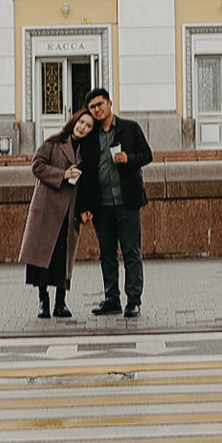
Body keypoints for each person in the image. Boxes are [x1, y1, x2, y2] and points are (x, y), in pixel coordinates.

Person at [76, 87, 153, 318]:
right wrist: (84, 206)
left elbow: (147, 155)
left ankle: (133, 300)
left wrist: (129, 158)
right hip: (101, 206)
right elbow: (85, 173)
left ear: (110, 103)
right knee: (107, 254)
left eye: (100, 104)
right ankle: (112, 299)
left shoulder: (130, 128)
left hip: (127, 202)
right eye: (92, 107)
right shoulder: (91, 136)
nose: (97, 110)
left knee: (131, 252)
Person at [21, 109, 91, 319]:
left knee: (63, 258)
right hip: (47, 208)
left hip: (69, 211)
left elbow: (88, 184)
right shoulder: (54, 142)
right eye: (81, 122)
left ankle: (61, 302)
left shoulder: (88, 152)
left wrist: (85, 209)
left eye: (88, 126)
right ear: (74, 121)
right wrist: (63, 174)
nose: (83, 128)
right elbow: (37, 166)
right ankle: (43, 301)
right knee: (43, 257)